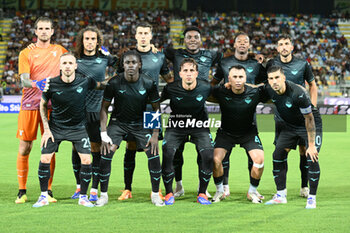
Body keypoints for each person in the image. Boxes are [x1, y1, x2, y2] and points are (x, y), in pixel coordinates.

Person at [32, 53, 108, 208]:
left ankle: (83, 197)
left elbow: (102, 85)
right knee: (45, 159)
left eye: (70, 63)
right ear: (60, 66)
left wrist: (120, 80)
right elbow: (42, 105)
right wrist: (46, 130)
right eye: (64, 63)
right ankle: (43, 196)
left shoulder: (85, 81)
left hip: (79, 128)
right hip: (55, 128)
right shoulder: (51, 83)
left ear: (75, 66)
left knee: (86, 160)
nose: (67, 66)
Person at [95, 50, 164, 207]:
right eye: (127, 63)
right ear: (123, 65)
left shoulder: (148, 82)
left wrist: (154, 134)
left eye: (134, 62)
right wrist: (104, 133)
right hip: (118, 123)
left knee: (153, 153)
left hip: (140, 123)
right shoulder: (114, 83)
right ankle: (103, 195)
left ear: (139, 64)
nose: (131, 65)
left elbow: (156, 109)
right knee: (106, 153)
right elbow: (104, 109)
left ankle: (155, 194)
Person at [163, 26, 222, 198]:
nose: (192, 39)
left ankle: (201, 188)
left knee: (204, 153)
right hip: (178, 116)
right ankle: (178, 186)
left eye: (196, 36)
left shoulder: (210, 55)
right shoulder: (175, 53)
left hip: (199, 111)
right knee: (174, 154)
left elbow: (227, 61)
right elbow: (159, 56)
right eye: (189, 37)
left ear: (201, 39)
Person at [119, 22, 173, 201]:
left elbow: (169, 79)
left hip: (151, 110)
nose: (143, 36)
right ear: (135, 36)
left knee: (153, 147)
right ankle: (127, 189)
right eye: (140, 33)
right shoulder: (128, 56)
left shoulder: (159, 56)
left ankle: (156, 190)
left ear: (151, 36)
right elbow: (119, 79)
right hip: (130, 110)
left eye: (146, 33)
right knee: (131, 146)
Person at [16, 16, 67, 204]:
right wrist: (39, 83)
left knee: (49, 148)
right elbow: (24, 80)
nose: (44, 31)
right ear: (35, 31)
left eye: (47, 28)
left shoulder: (60, 51)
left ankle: (49, 190)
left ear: (52, 31)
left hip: (53, 106)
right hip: (30, 105)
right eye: (41, 28)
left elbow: (73, 65)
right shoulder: (26, 53)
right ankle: (22, 191)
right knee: (25, 147)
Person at [211, 32, 267, 197]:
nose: (242, 44)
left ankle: (253, 190)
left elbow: (266, 83)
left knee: (254, 157)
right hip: (228, 112)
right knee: (221, 156)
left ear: (249, 45)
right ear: (234, 44)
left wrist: (248, 85)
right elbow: (213, 84)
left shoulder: (256, 64)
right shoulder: (225, 62)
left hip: (249, 114)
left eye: (246, 41)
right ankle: (224, 187)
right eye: (239, 41)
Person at [266, 34, 318, 198]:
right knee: (281, 152)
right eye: (280, 44)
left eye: (287, 44)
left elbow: (312, 85)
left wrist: (313, 108)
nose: (284, 47)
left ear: (292, 47)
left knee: (305, 151)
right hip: (282, 119)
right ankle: (282, 190)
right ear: (277, 48)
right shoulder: (272, 64)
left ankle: (304, 186)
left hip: (302, 117)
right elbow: (264, 85)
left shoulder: (302, 64)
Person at [70, 26, 118, 202]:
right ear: (81, 41)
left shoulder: (105, 59)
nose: (89, 42)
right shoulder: (74, 60)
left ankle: (94, 189)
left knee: (96, 149)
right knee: (76, 148)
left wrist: (107, 83)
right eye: (86, 39)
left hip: (97, 111)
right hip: (78, 111)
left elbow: (126, 64)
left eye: (93, 39)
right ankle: (78, 186)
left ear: (98, 42)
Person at [264, 65, 322, 209]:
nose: (274, 81)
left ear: (284, 77)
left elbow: (309, 119)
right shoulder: (269, 90)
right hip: (289, 126)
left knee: (311, 156)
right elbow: (253, 87)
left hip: (308, 123)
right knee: (277, 155)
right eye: (271, 78)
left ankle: (312, 198)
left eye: (277, 77)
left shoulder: (298, 93)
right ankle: (281, 195)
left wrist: (311, 145)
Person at [161, 58, 214, 205]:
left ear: (197, 73)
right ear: (180, 73)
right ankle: (169, 192)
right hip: (176, 125)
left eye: (192, 70)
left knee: (208, 154)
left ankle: (202, 193)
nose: (189, 74)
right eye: (185, 70)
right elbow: (154, 102)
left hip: (199, 125)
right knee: (168, 152)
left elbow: (222, 97)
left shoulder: (205, 87)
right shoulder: (170, 88)